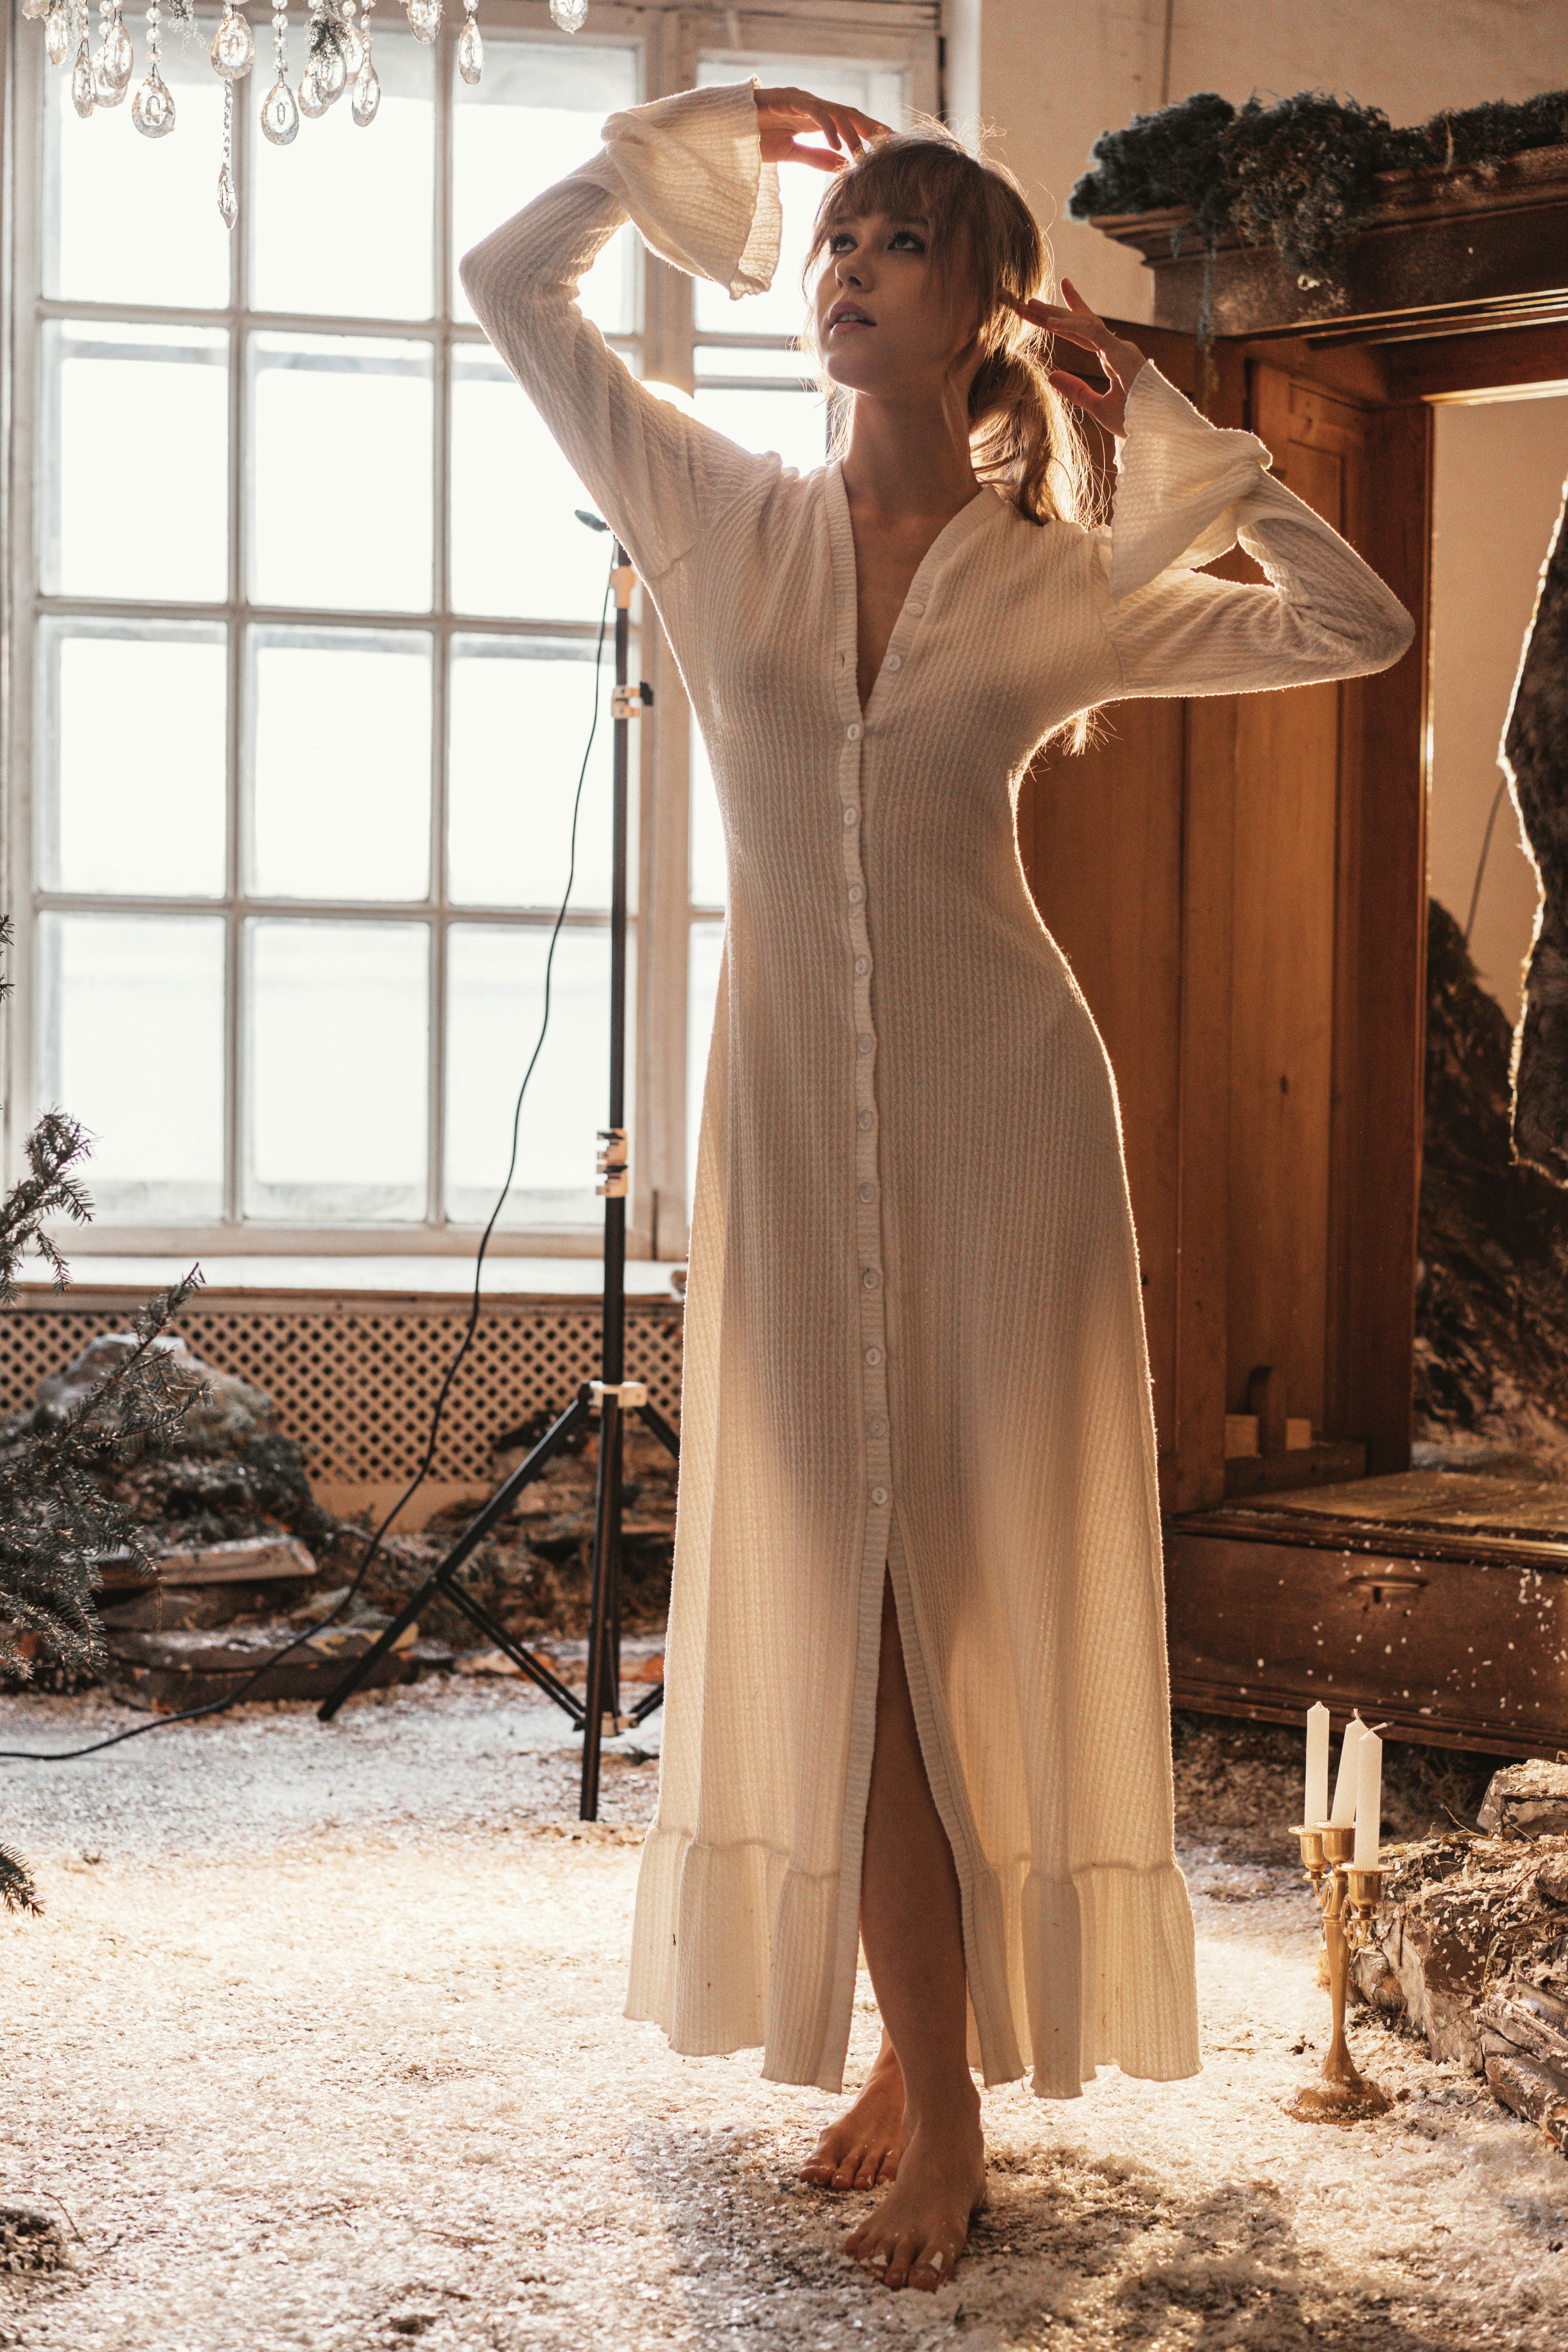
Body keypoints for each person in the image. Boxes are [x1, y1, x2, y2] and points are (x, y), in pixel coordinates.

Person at [461, 81, 1412, 2297]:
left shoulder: (1063, 580)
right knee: (856, 1602)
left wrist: (1158, 408)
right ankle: (924, 2063)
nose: (848, 263)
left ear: (988, 304)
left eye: (901, 240)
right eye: (836, 238)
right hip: (790, 1125)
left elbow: (1347, 621)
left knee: (959, 1609)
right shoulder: (712, 513)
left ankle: (944, 2101)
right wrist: (670, 145)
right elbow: (510, 289)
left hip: (1006, 1133)